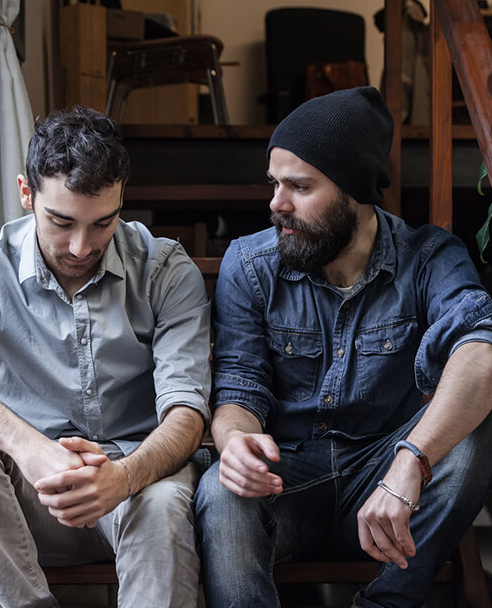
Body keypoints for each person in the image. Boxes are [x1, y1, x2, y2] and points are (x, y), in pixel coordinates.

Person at [0, 106, 211, 608]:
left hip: (139, 482)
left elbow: (187, 414)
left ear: (121, 200)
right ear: (27, 193)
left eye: (102, 223)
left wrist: (125, 476)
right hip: (28, 497)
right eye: (61, 221)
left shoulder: (165, 270)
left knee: (161, 508)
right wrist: (30, 449)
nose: (80, 245)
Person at [195, 86, 492, 608]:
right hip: (286, 481)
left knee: (475, 431)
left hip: (388, 481)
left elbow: (484, 349)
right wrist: (235, 440)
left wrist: (409, 463)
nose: (276, 204)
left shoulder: (427, 258)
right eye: (275, 183)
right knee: (221, 490)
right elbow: (239, 386)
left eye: (299, 186)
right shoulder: (249, 265)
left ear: (355, 191)